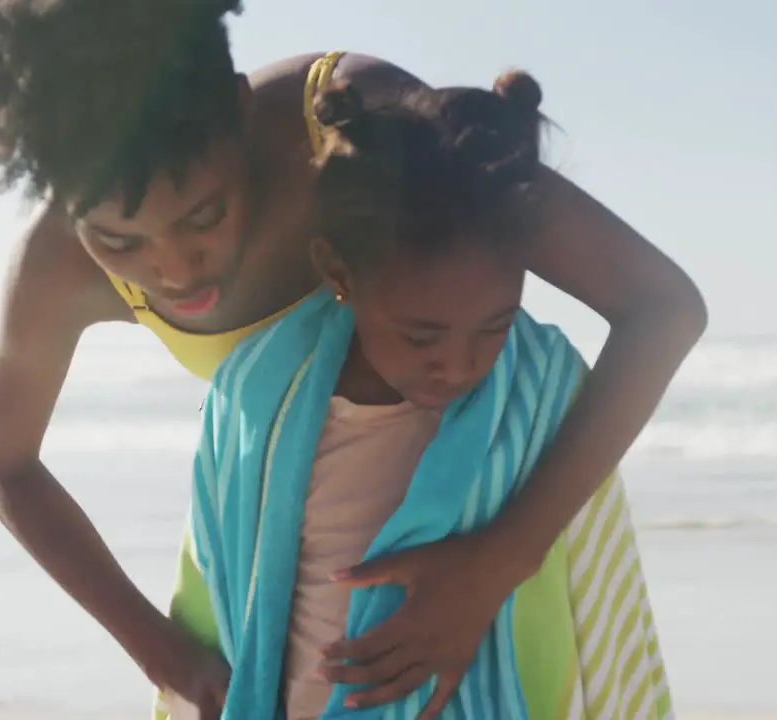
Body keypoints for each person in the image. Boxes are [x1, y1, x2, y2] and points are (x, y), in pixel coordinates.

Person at [0, 0, 706, 714]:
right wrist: (164, 655)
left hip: (491, 525)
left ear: (240, 111)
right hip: (266, 552)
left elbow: (661, 306)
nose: (177, 270)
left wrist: (499, 560)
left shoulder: (362, 130)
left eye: (204, 215)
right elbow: (2, 465)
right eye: (120, 243)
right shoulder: (54, 269)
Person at [184, 71, 674, 720]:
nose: (460, 364)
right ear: (338, 273)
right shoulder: (258, 395)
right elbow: (226, 580)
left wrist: (498, 562)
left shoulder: (536, 394)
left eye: (494, 326)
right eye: (422, 337)